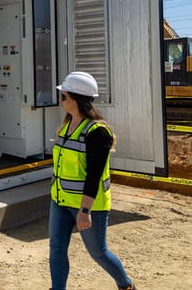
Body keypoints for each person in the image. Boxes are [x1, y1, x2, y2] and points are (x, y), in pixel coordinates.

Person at [49, 71, 137, 290]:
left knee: (98, 253)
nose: (60, 100)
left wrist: (84, 211)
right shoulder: (66, 126)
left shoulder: (98, 132)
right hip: (59, 200)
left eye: (64, 96)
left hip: (88, 206)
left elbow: (94, 175)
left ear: (76, 99)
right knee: (56, 248)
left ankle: (125, 285)